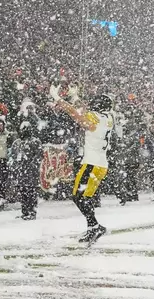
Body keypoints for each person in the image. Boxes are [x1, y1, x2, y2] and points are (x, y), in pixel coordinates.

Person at [49, 85, 114, 246]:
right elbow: (83, 112)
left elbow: (77, 115)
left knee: (78, 196)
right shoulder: (110, 117)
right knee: (85, 198)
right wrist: (75, 97)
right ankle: (93, 227)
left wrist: (59, 99)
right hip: (102, 164)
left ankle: (95, 226)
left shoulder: (93, 118)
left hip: (91, 163)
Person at [9, 121, 43, 220]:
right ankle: (25, 212)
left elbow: (39, 155)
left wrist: (32, 165)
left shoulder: (35, 141)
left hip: (31, 172)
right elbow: (13, 156)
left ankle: (32, 212)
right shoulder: (17, 143)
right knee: (23, 193)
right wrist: (16, 167)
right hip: (21, 172)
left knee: (31, 193)